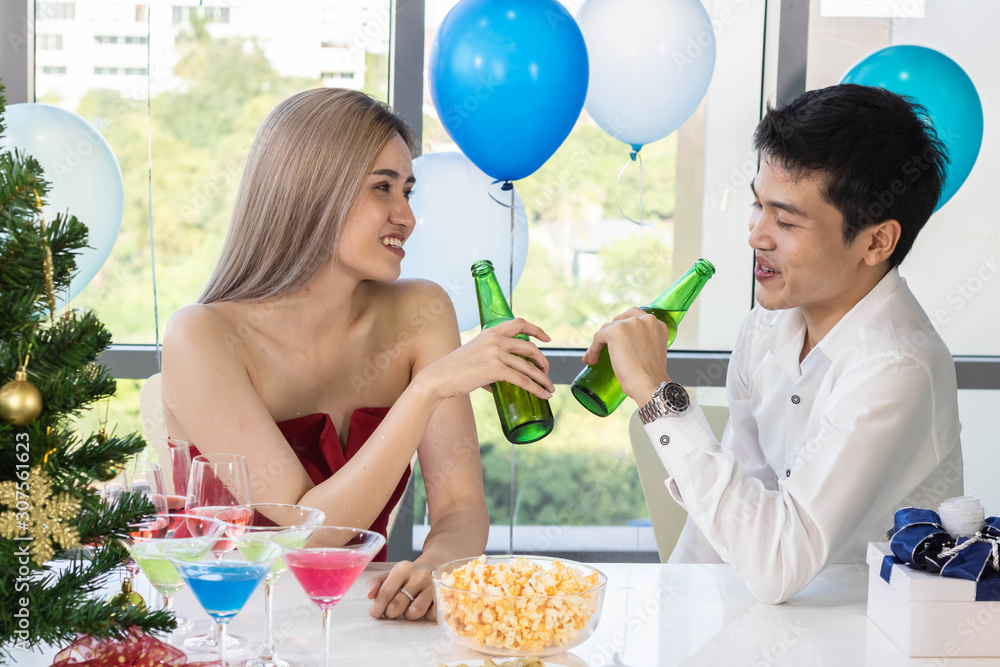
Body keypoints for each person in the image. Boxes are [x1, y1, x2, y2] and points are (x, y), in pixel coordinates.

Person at [161, 88, 555, 621]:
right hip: (227, 626)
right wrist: (427, 388)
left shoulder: (420, 311)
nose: (406, 217)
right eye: (382, 188)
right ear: (311, 192)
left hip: (356, 621)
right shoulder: (201, 337)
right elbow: (311, 536)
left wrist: (438, 568)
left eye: (408, 191)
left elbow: (460, 510)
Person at [584, 84, 964, 604]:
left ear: (877, 241)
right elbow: (732, 509)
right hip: (773, 629)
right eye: (757, 205)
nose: (757, 235)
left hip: (874, 638)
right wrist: (665, 614)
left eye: (786, 220)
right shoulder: (765, 328)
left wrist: (658, 397)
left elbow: (779, 562)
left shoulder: (896, 367)